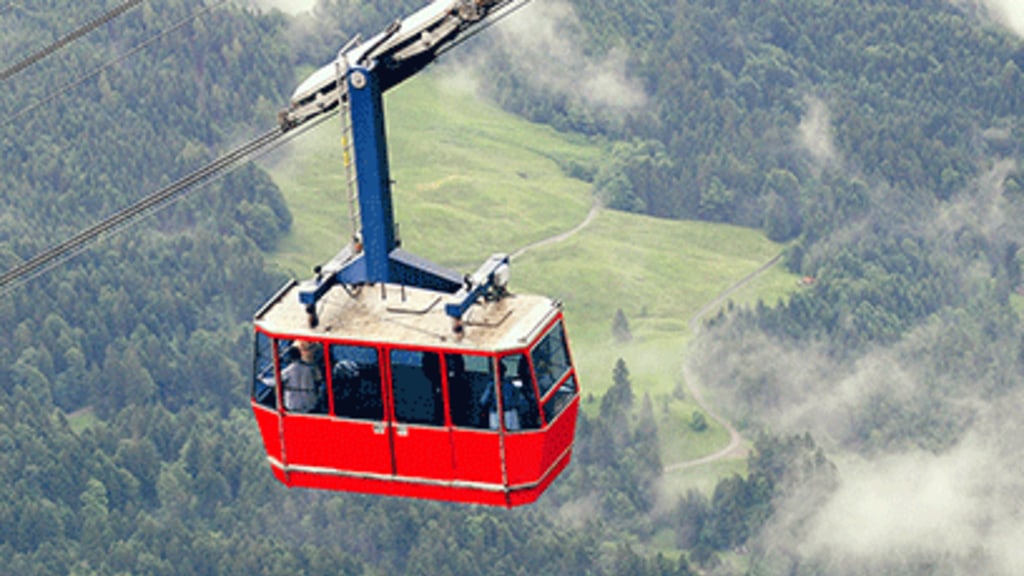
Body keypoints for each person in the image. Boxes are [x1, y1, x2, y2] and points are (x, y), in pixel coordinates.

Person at [281, 340, 323, 413]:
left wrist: (262, 379)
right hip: (309, 403)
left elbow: (275, 380)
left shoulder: (288, 370)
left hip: (293, 404)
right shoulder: (310, 369)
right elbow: (319, 378)